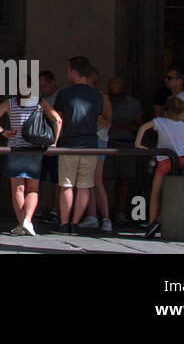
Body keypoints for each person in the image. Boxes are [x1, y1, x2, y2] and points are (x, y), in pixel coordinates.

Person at [0, 90, 61, 236]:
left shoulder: (11, 103)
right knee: (33, 189)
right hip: (35, 149)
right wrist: (54, 143)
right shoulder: (40, 102)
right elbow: (57, 120)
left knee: (17, 189)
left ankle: (22, 224)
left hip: (16, 149)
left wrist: (3, 131)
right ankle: (27, 221)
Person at [53, 56, 110, 235]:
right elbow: (99, 116)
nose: (67, 73)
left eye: (68, 70)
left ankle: (64, 223)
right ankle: (76, 224)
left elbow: (58, 118)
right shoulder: (97, 96)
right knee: (85, 186)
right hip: (91, 144)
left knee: (66, 185)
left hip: (70, 143)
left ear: (74, 72)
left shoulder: (64, 94)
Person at [135, 95, 184, 239]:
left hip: (165, 160)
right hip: (182, 161)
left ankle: (152, 222)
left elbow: (143, 127)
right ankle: (162, 218)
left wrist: (138, 144)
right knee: (174, 192)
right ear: (181, 113)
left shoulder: (159, 122)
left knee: (156, 192)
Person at [104, 76, 142, 225]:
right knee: (105, 179)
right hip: (108, 143)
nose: (115, 98)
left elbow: (139, 125)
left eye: (117, 95)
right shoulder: (105, 101)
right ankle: (105, 211)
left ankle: (120, 211)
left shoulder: (133, 104)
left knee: (125, 180)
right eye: (112, 95)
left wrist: (118, 126)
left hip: (126, 144)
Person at [78, 65, 112, 231]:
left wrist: (94, 117)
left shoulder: (102, 97)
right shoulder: (81, 95)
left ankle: (106, 218)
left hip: (98, 139)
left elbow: (108, 121)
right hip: (85, 139)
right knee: (87, 180)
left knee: (97, 180)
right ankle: (92, 215)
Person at [36, 69, 61, 223]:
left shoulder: (60, 97)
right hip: (41, 142)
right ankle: (39, 208)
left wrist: (55, 143)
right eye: (40, 87)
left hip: (55, 141)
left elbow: (59, 118)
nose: (42, 89)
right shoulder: (40, 98)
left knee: (57, 178)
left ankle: (55, 210)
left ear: (53, 83)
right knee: (40, 178)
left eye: (44, 86)